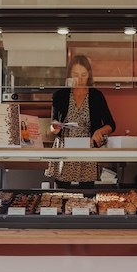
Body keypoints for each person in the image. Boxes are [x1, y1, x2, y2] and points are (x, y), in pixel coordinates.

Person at [45, 54, 116, 189]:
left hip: (87, 148)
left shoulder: (96, 96)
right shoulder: (60, 95)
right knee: (61, 193)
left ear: (89, 74)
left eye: (84, 74)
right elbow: (52, 123)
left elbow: (111, 124)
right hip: (64, 148)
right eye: (76, 74)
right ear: (69, 75)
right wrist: (55, 128)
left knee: (87, 193)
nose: (80, 79)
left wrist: (99, 132)